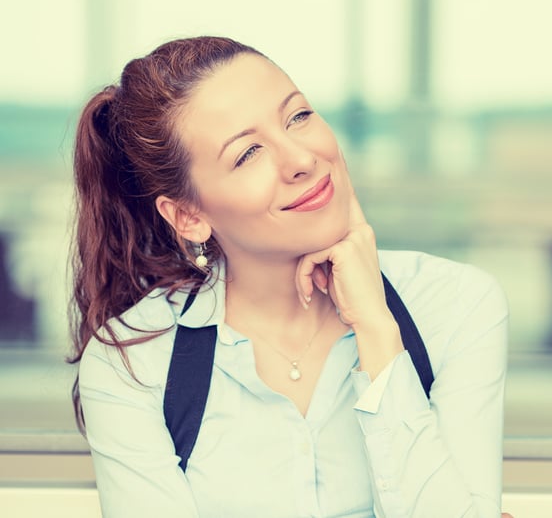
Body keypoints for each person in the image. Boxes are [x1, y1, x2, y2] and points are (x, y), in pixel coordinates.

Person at [68, 36, 510, 517]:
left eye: (298, 117)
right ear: (189, 216)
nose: (302, 160)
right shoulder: (132, 361)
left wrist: (378, 332)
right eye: (247, 154)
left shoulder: (456, 305)